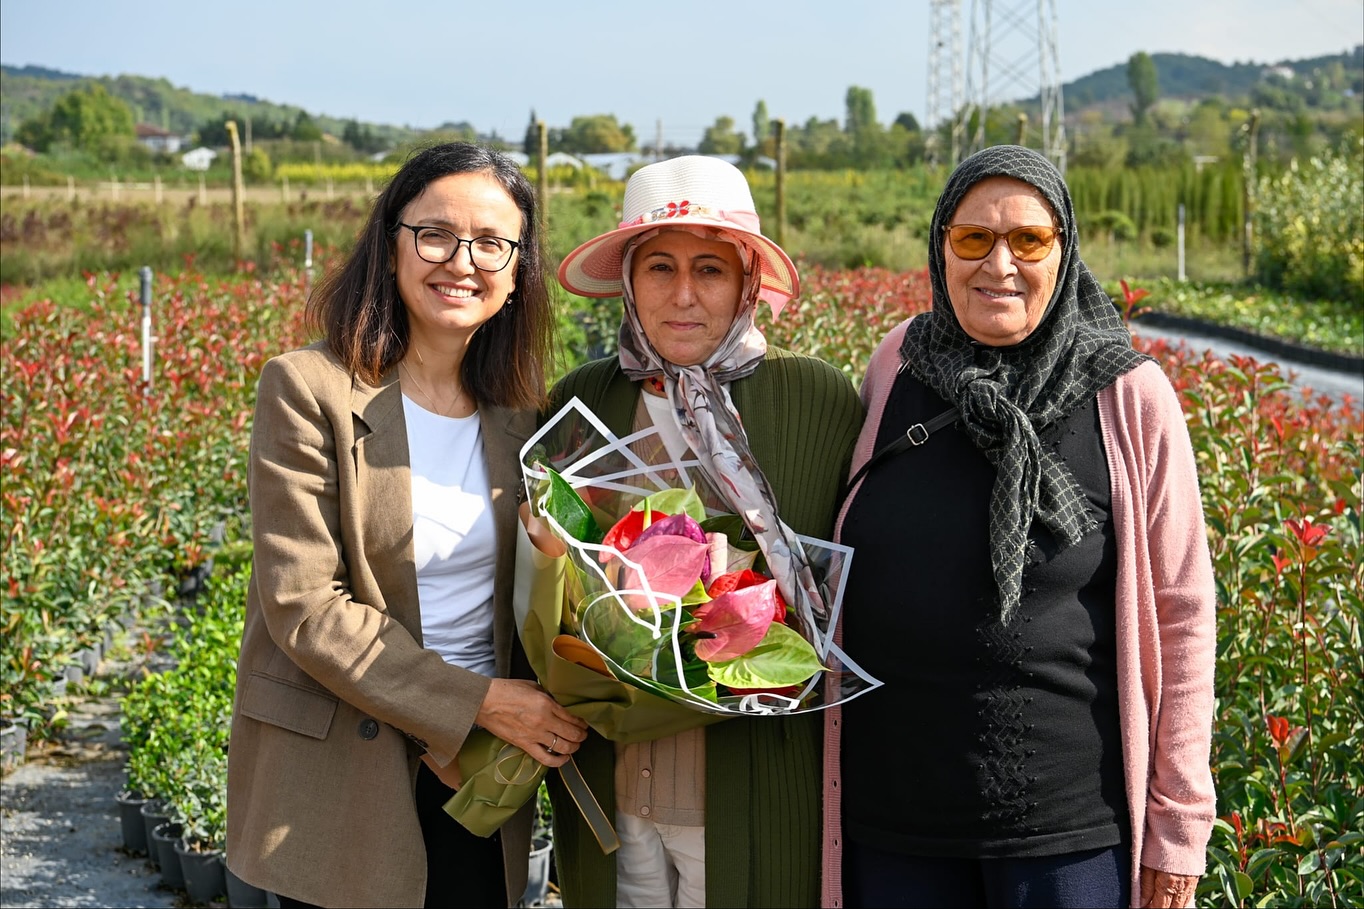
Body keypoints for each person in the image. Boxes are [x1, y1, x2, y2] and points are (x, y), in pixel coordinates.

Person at [825, 145, 1216, 909]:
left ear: (1063, 252)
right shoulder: (898, 364)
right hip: (893, 819)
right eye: (973, 239)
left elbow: (1184, 616)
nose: (998, 263)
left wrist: (1179, 827)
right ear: (941, 249)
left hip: (1064, 830)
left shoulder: (1129, 395)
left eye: (1028, 241)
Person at [225, 142, 588, 909]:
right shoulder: (309, 389)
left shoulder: (521, 415)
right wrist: (473, 704)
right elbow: (306, 605)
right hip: (348, 767)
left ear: (517, 273)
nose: (463, 261)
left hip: (485, 768)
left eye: (492, 242)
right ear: (391, 247)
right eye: (436, 234)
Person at [545, 155, 864, 908]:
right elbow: (551, 582)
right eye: (659, 267)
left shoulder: (811, 399)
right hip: (617, 785)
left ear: (747, 280)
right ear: (627, 278)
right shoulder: (582, 401)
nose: (683, 295)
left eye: (711, 269)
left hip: (752, 778)